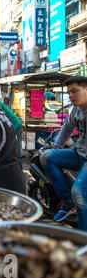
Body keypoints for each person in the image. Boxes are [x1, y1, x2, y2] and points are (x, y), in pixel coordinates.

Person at [40, 76, 87, 227]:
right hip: (79, 153)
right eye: (69, 92)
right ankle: (67, 202)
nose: (71, 95)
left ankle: (83, 234)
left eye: (75, 91)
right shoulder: (76, 109)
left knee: (78, 191)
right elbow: (67, 128)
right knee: (47, 157)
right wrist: (56, 146)